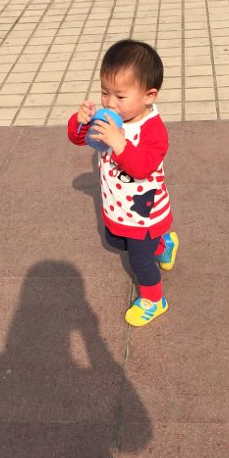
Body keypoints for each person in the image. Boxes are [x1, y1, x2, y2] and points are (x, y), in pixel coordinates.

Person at [67, 39, 179, 327]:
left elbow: (142, 167)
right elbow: (81, 139)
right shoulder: (109, 118)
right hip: (116, 207)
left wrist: (119, 142)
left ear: (149, 95)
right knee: (115, 241)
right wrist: (80, 122)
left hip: (145, 214)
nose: (109, 103)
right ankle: (163, 244)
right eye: (105, 92)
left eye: (120, 96)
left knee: (141, 262)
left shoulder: (153, 130)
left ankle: (155, 299)